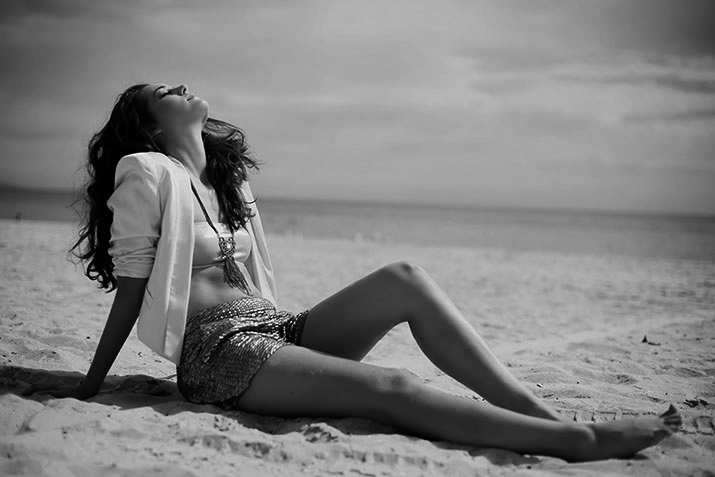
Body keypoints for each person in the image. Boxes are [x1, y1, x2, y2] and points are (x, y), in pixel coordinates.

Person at [25, 83, 681, 462]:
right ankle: (575, 439)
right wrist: (90, 383)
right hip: (220, 352)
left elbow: (252, 275)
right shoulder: (143, 171)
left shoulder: (223, 179)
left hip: (275, 330)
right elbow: (135, 283)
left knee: (404, 276)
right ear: (148, 121)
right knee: (389, 384)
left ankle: (531, 408)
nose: (183, 86)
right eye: (166, 90)